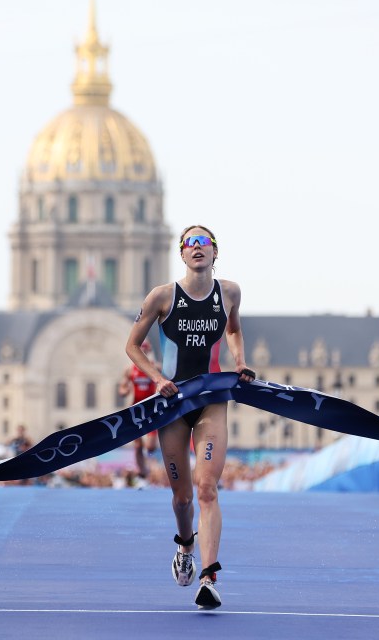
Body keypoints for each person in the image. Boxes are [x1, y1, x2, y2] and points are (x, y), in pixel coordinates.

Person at [125, 224, 254, 610]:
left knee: (207, 488)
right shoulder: (162, 297)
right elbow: (132, 346)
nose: (197, 248)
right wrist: (158, 379)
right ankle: (185, 546)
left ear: (216, 252)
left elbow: (233, 330)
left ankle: (210, 577)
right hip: (174, 404)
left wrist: (241, 363)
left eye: (204, 242)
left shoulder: (229, 292)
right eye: (189, 243)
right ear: (181, 255)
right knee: (182, 498)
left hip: (212, 399)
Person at [118, 339, 159, 480]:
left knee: (151, 446)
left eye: (145, 351)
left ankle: (149, 465)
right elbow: (122, 388)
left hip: (152, 409)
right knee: (137, 445)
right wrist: (124, 390)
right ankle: (142, 472)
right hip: (136, 408)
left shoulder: (156, 367)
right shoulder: (130, 370)